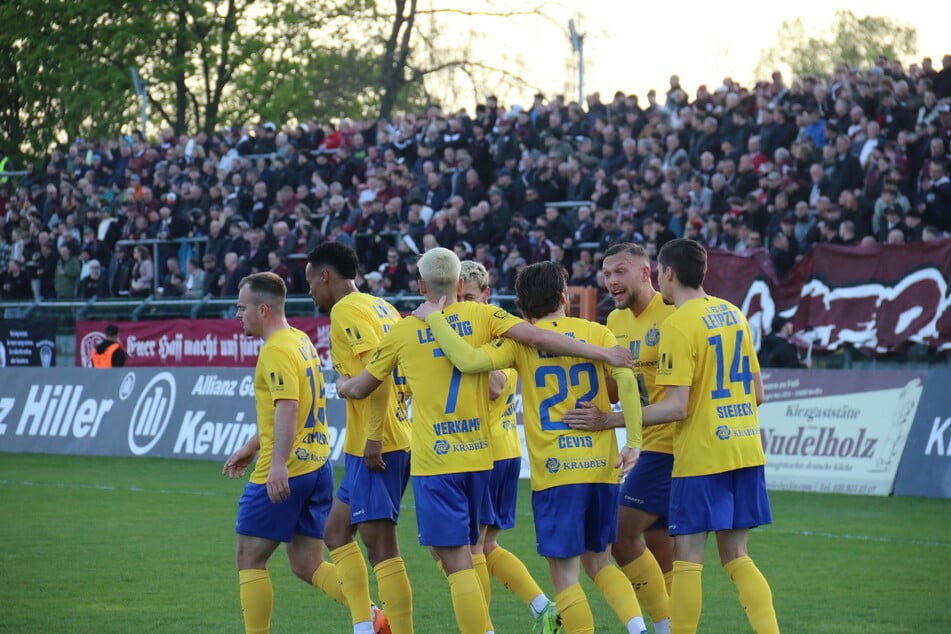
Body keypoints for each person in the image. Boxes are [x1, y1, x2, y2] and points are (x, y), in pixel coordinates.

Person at [337, 248, 631, 634]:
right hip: (480, 459)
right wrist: (601, 352)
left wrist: (342, 385)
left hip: (436, 463)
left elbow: (361, 387)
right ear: (461, 284)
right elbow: (537, 336)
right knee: (475, 552)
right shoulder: (485, 316)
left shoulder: (404, 331)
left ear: (421, 285)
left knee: (456, 561)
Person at [413, 260, 647, 634]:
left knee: (565, 576)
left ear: (521, 308)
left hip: (556, 472)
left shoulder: (521, 342)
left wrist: (435, 319)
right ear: (564, 297)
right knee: (601, 562)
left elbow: (469, 360)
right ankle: (639, 629)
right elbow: (629, 385)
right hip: (603, 469)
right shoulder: (597, 333)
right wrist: (633, 442)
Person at [641, 239, 778, 634]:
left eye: (660, 274)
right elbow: (758, 394)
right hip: (745, 448)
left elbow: (676, 408)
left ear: (668, 274)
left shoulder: (679, 324)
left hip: (702, 455)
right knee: (736, 556)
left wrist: (612, 420)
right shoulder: (733, 313)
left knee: (687, 559)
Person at [222, 272, 349, 634]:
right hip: (317, 464)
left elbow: (289, 407)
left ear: (262, 309)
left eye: (241, 307)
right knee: (307, 563)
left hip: (286, 469)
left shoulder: (275, 350)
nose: (238, 315)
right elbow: (291, 406)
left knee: (249, 557)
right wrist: (251, 445)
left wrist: (275, 464)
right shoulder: (300, 340)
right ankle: (370, 615)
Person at [563, 242, 675, 634]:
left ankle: (658, 627)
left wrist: (607, 420)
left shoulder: (675, 314)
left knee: (620, 536)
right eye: (607, 274)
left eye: (620, 272)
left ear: (647, 273)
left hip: (669, 445)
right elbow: (617, 386)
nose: (611, 281)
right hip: (647, 444)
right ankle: (672, 626)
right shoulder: (614, 321)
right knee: (662, 554)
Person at [305, 242, 412, 634]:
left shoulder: (347, 310)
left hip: (378, 443)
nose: (310, 291)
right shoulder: (382, 306)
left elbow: (377, 375)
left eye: (310, 282)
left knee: (382, 548)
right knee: (335, 532)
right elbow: (404, 371)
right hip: (373, 439)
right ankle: (366, 626)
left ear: (325, 276)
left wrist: (373, 438)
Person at [455, 260, 558, 633]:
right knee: (481, 548)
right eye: (455, 297)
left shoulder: (491, 333)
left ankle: (483, 628)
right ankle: (542, 606)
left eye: (467, 297)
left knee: (471, 550)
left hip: (489, 454)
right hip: (498, 450)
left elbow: (496, 385)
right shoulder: (495, 330)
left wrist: (463, 347)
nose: (460, 304)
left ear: (485, 295)